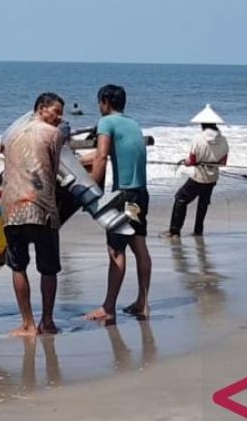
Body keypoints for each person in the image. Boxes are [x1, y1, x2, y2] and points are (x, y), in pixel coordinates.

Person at [0, 92, 66, 336]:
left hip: (11, 208)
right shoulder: (54, 134)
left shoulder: (12, 134)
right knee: (48, 268)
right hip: (41, 207)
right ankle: (46, 322)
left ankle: (27, 323)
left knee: (19, 266)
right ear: (40, 108)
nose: (59, 118)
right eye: (56, 112)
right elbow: (54, 168)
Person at [85, 84, 151, 321]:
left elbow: (101, 155)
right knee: (139, 245)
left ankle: (108, 307)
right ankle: (143, 303)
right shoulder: (133, 123)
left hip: (123, 195)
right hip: (140, 193)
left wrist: (92, 189)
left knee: (116, 249)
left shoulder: (106, 123)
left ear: (105, 102)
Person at [163, 104, 230, 238]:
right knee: (203, 203)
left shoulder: (198, 138)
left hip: (199, 176)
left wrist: (185, 162)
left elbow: (192, 161)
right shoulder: (223, 140)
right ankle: (198, 231)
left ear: (203, 124)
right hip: (212, 177)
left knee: (180, 198)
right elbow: (223, 162)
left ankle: (175, 231)